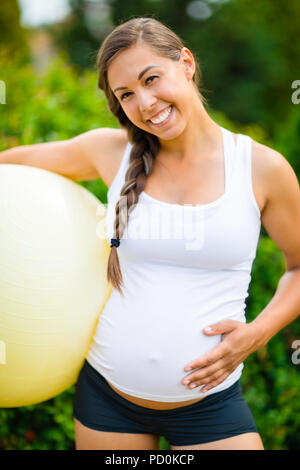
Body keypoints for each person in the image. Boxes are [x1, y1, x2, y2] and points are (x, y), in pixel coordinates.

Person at [1, 17, 299, 451]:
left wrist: (260, 331)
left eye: (151, 79)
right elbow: (10, 164)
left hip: (210, 407)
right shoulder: (110, 152)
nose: (144, 103)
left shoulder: (262, 168)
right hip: (107, 401)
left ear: (187, 63)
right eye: (126, 95)